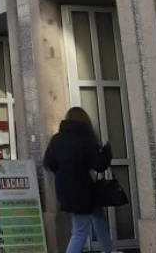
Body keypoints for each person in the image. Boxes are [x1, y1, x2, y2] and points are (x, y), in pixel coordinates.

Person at [44, 106, 115, 253]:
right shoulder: (86, 139)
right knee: (79, 231)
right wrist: (107, 153)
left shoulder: (57, 139)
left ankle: (109, 250)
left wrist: (65, 172)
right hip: (82, 188)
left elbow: (48, 163)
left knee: (97, 216)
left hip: (64, 187)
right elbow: (99, 166)